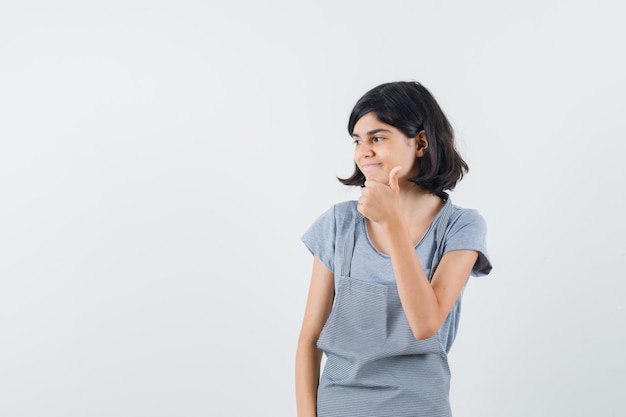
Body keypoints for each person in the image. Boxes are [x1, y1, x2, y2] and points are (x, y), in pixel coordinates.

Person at [295, 81, 493, 417]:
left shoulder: (461, 228)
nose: (363, 151)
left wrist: (392, 224)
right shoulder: (338, 225)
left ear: (420, 143)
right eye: (358, 140)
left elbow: (425, 324)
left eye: (377, 137)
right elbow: (309, 340)